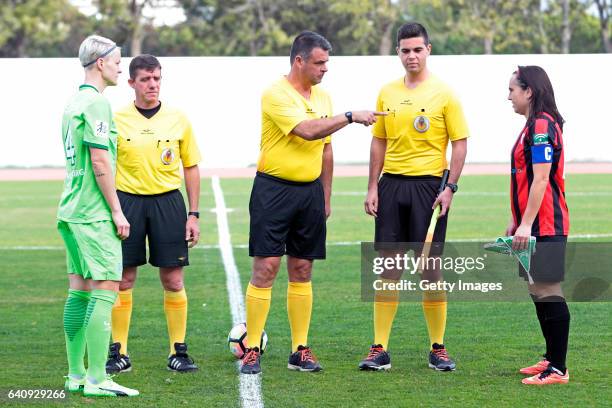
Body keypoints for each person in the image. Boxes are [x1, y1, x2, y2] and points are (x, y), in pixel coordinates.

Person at [240, 31, 386, 375]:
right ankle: (252, 347)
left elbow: (326, 148)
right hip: (273, 190)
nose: (325, 69)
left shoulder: (323, 96)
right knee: (266, 268)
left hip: (309, 194)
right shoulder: (275, 94)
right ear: (299, 61)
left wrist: (326, 194)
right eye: (319, 63)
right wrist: (350, 116)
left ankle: (300, 349)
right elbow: (307, 130)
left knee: (303, 269)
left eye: (327, 63)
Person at [360, 22, 468, 372]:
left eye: (417, 49)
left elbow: (460, 143)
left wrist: (449, 187)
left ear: (429, 50)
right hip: (392, 185)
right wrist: (373, 185)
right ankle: (379, 348)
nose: (411, 56)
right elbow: (379, 140)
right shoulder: (386, 92)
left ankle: (438, 347)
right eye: (405, 50)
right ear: (397, 53)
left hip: (429, 189)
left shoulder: (446, 93)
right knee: (389, 268)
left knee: (430, 270)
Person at [105, 55, 201, 373]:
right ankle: (118, 351)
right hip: (127, 203)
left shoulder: (179, 118)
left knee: (173, 279)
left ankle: (178, 351)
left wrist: (193, 214)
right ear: (131, 83)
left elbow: (190, 166)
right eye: (146, 79)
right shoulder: (116, 118)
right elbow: (103, 166)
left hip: (168, 204)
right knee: (123, 279)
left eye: (157, 78)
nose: (153, 84)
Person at [58, 35, 139, 397]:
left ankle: (75, 375)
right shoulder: (97, 104)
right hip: (92, 214)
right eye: (118, 60)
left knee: (79, 291)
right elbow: (99, 159)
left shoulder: (73, 102)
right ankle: (96, 378)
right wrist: (117, 211)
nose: (121, 66)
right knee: (107, 288)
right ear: (101, 63)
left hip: (71, 211)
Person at [506, 65, 570, 385]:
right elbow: (524, 177)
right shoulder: (531, 125)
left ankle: (558, 369)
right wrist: (515, 220)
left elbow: (542, 177)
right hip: (531, 223)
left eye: (512, 90)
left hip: (546, 222)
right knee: (536, 289)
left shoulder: (542, 124)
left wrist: (526, 224)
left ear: (529, 91)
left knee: (548, 289)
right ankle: (550, 358)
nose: (509, 97)